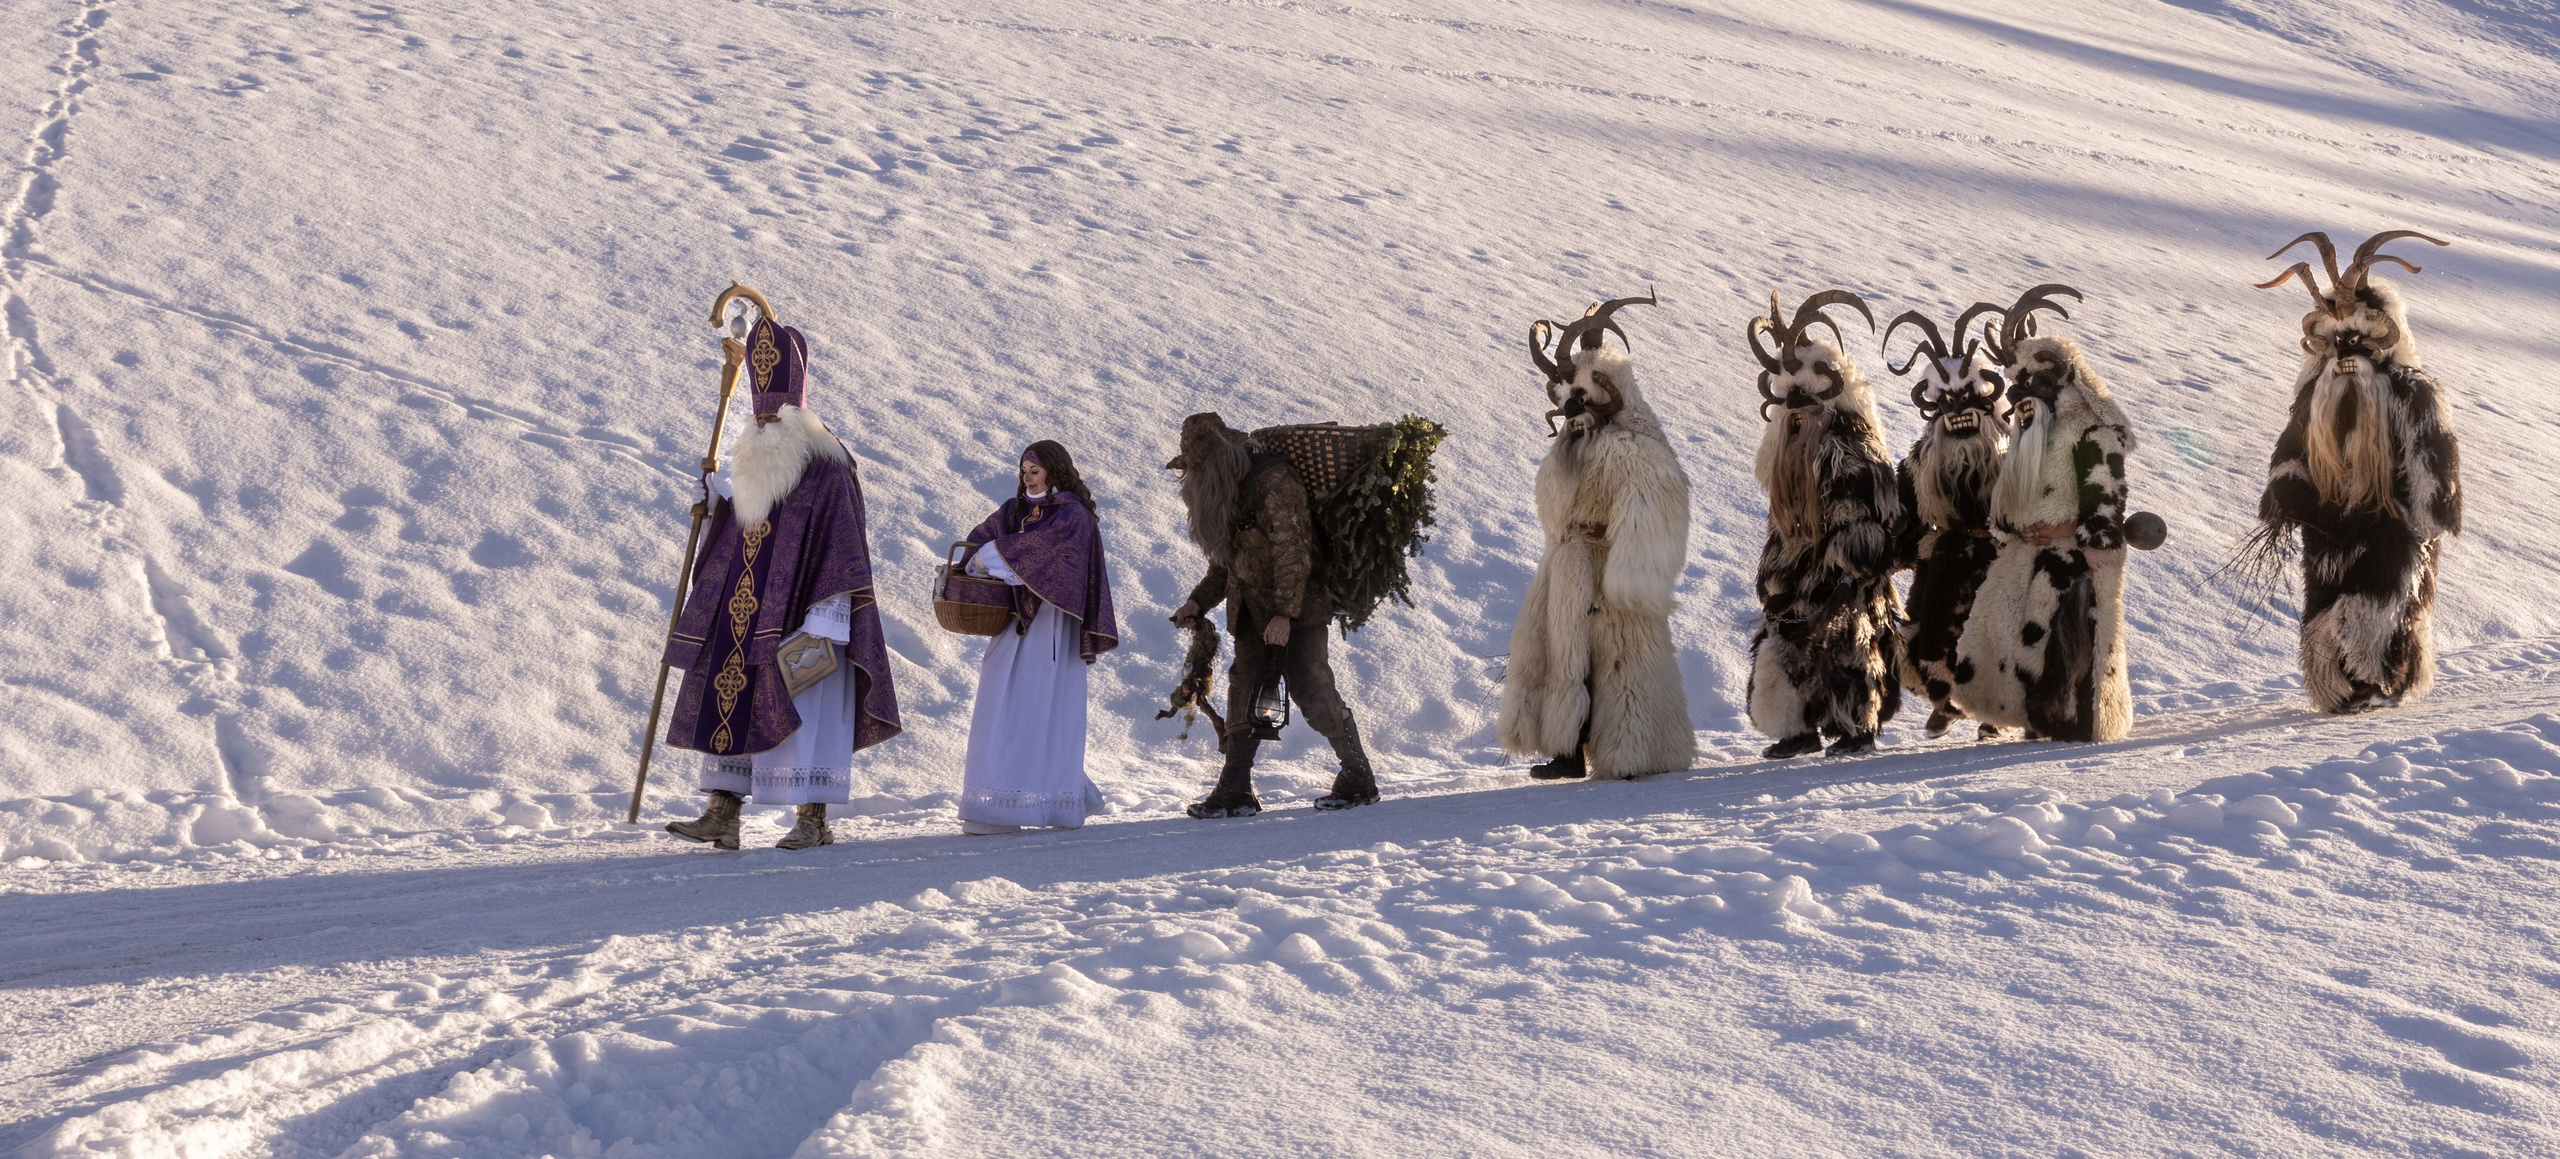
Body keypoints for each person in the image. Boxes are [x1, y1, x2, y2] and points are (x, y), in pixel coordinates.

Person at [661, 316, 901, 850]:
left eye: (774, 415)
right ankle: (723, 811)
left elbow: (845, 546)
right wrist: (718, 505)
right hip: (746, 614)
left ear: (797, 415)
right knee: (729, 694)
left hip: (807, 613)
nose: (763, 423)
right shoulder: (754, 467)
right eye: (759, 415)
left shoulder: (829, 469)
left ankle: (813, 820)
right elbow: (747, 538)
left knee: (806, 715)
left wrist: (829, 616)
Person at [2251, 230, 2460, 714]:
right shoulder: (2314, 394)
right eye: (2338, 340)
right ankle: (2339, 688)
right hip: (2329, 520)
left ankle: (2383, 680)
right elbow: (2292, 450)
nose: (2347, 352)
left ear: (2382, 337)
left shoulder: (2412, 390)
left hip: (2392, 518)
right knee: (2325, 604)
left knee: (2385, 601)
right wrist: (2287, 496)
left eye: (2358, 339)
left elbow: (2433, 453)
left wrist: (2429, 511)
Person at [1499, 293, 1696, 781]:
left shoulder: (1630, 450)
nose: (1571, 411)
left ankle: (1631, 749)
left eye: (1581, 398)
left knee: (1616, 660)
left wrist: (1628, 574)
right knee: (1563, 658)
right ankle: (1564, 750)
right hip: (1566, 568)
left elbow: (1654, 502)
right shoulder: (1567, 450)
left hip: (1609, 571)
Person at [1167, 412, 1378, 817]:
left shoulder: (1273, 481)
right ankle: (1235, 789)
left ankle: (1358, 776)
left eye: (1198, 467)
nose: (1193, 477)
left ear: (1219, 460)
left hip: (1297, 609)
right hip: (1250, 611)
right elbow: (1226, 563)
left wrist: (1285, 614)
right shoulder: (1226, 491)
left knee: (1312, 691)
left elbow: (1293, 553)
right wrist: (1197, 603)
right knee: (1243, 691)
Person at [1951, 287, 2136, 742]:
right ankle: (2024, 714)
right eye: (2018, 386)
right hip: (2027, 553)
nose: (2022, 395)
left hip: (2072, 554)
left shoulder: (2087, 430)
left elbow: (2104, 487)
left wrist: (2097, 541)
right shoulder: (2030, 433)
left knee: (2066, 640)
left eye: (2033, 384)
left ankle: (2066, 718)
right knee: (2007, 633)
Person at [1743, 291, 1904, 759]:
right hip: (1798, 558)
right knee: (1785, 632)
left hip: (1843, 561)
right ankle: (1795, 727)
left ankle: (1856, 727)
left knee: (1848, 638)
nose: (1796, 410)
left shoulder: (1849, 438)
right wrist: (1774, 568)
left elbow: (1863, 504)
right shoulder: (1785, 444)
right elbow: (1782, 514)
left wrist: (1852, 561)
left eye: (1805, 398)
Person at [953, 441, 1119, 834]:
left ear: (1054, 472)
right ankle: (1004, 800)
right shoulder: (1014, 511)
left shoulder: (1072, 515)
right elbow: (978, 544)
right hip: (1013, 621)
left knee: (1041, 706)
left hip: (1051, 628)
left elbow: (1048, 555)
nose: (1027, 476)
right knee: (1000, 702)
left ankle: (1033, 803)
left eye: (1035, 470)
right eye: (1024, 469)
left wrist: (995, 555)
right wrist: (982, 556)